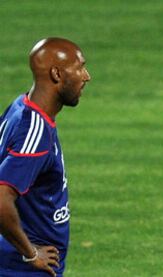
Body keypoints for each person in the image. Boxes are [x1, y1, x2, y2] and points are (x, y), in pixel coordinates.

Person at [0, 38, 91, 276]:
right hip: (20, 269)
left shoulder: (20, 108)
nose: (86, 76)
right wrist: (30, 253)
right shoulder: (35, 133)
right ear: (57, 74)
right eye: (79, 67)